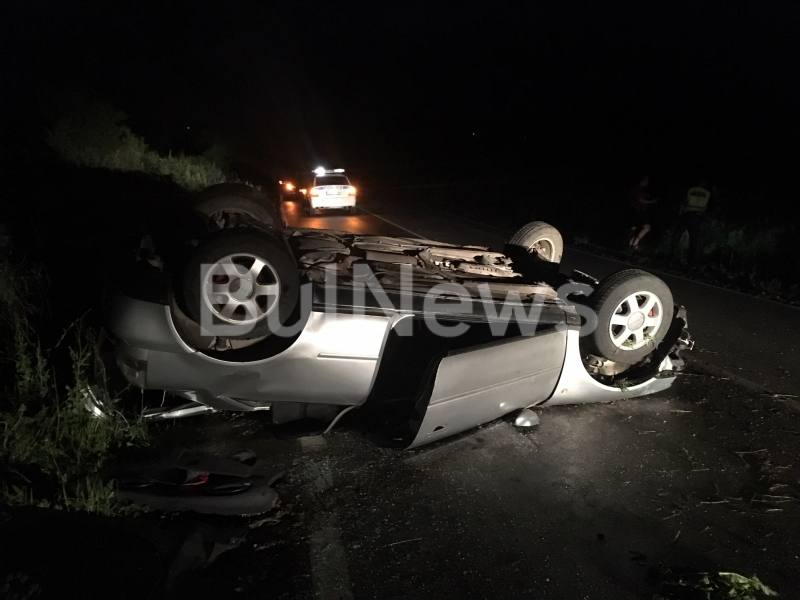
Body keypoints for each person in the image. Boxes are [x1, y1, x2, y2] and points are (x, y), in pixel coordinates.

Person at [673, 180, 712, 265]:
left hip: (687, 214)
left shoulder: (691, 190)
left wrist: (680, 214)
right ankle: (690, 261)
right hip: (698, 216)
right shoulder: (707, 193)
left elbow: (685, 202)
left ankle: (671, 255)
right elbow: (706, 206)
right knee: (693, 240)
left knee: (677, 235)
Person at [628, 175, 657, 250]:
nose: (647, 183)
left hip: (639, 211)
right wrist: (651, 202)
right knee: (637, 228)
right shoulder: (638, 189)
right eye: (646, 181)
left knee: (638, 228)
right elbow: (639, 199)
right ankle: (632, 245)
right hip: (637, 210)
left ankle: (632, 245)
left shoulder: (641, 190)